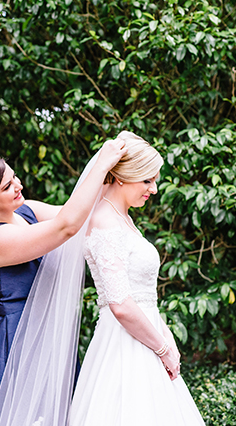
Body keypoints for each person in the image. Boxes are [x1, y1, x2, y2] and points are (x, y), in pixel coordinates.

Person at [0, 139, 126, 426]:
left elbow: (82, 213)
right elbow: (67, 226)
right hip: (10, 343)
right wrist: (99, 164)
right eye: (7, 187)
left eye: (14, 177)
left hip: (44, 333)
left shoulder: (26, 211)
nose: (18, 186)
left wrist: (119, 175)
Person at [68, 131, 205, 425]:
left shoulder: (122, 217)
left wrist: (164, 334)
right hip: (123, 345)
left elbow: (141, 296)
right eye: (147, 180)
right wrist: (164, 348)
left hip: (145, 335)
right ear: (122, 177)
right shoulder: (105, 222)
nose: (153, 189)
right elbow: (120, 303)